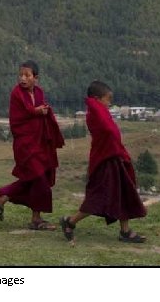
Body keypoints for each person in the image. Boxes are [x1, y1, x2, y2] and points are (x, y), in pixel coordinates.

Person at [59, 80, 147, 243]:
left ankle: (125, 232)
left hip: (114, 158)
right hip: (105, 161)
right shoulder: (95, 112)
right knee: (97, 198)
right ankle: (70, 221)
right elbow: (108, 130)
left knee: (124, 193)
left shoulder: (101, 111)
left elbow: (111, 131)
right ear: (97, 99)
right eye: (107, 99)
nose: (109, 103)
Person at [0, 60, 65, 230]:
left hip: (40, 143)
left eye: (27, 75)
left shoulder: (39, 92)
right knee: (38, 178)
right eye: (20, 75)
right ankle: (32, 217)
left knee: (37, 179)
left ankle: (4, 200)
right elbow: (20, 116)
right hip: (25, 144)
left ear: (35, 78)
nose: (22, 78)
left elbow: (40, 111)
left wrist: (44, 111)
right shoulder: (16, 93)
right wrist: (38, 111)